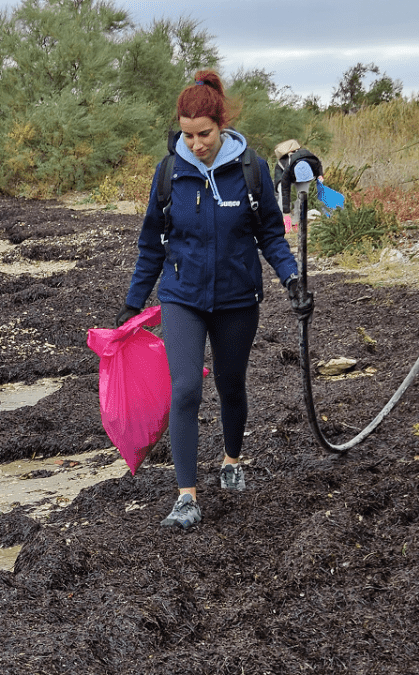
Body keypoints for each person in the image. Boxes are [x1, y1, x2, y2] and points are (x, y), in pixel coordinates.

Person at [115, 71, 312, 530]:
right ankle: (186, 497)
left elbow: (270, 234)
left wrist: (292, 280)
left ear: (221, 124)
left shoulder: (251, 168)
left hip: (238, 296)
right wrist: (133, 300)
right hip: (182, 296)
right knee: (185, 388)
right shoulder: (169, 172)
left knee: (230, 383)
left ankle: (231, 460)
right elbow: (152, 244)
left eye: (204, 134)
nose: (197, 143)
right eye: (187, 134)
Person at [273, 139, 323, 225]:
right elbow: (285, 193)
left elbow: (319, 166)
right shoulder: (286, 172)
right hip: (283, 172)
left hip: (303, 171)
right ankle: (282, 220)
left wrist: (320, 175)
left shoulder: (313, 162)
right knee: (281, 195)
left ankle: (298, 220)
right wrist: (286, 214)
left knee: (302, 197)